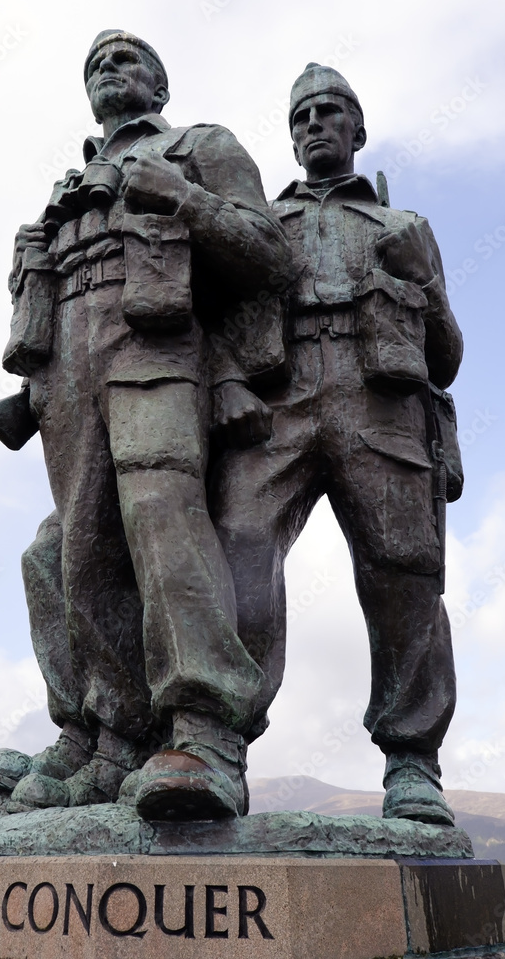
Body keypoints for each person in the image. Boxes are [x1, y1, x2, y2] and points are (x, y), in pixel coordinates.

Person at [0, 30, 291, 821]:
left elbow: (269, 254)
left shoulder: (200, 145)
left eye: (126, 59)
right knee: (71, 549)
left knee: (161, 517)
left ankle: (204, 727)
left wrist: (182, 197)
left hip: (156, 346)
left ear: (159, 83)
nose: (109, 71)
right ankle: (110, 736)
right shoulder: (69, 181)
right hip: (67, 370)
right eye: (94, 65)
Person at [210, 63, 463, 825]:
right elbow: (218, 325)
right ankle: (218, 744)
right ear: (291, 138)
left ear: (358, 130)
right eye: (302, 116)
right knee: (237, 549)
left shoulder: (403, 228)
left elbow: (446, 354)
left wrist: (426, 284)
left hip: (377, 397)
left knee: (401, 573)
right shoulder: (262, 223)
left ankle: (413, 762)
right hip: (278, 401)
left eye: (330, 112)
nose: (315, 123)